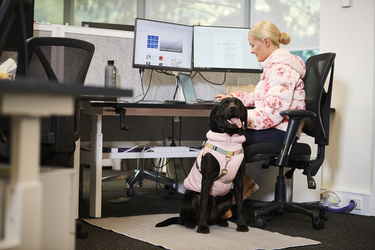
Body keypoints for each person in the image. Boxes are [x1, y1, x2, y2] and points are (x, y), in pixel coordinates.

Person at [215, 20, 306, 147]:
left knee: (226, 138)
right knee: (222, 136)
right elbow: (258, 96)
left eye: (252, 45)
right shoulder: (274, 67)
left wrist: (239, 116)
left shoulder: (281, 70)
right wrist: (233, 99)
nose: (251, 51)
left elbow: (273, 112)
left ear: (266, 42)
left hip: (281, 130)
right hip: (276, 127)